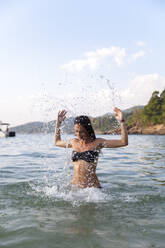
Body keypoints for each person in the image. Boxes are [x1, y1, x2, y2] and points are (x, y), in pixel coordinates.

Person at [54, 108, 128, 188]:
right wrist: (58, 123)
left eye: (81, 131)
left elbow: (123, 142)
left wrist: (122, 122)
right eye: (76, 131)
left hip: (93, 191)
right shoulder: (73, 142)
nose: (78, 134)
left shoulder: (98, 143)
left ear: (88, 130)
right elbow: (57, 142)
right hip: (76, 189)